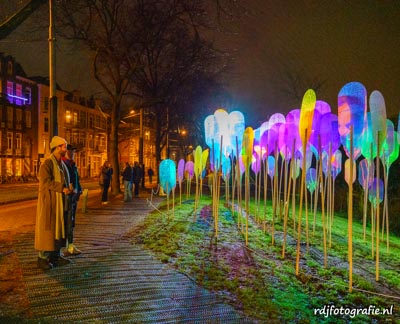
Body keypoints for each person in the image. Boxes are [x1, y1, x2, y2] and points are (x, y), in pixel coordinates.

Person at [35, 136, 73, 270]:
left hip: (60, 202)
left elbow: (64, 179)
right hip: (49, 202)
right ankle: (42, 258)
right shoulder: (47, 163)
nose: (66, 149)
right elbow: (45, 182)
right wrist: (62, 188)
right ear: (57, 147)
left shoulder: (60, 163)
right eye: (64, 146)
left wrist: (69, 187)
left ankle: (55, 256)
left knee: (58, 229)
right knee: (48, 230)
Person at [61, 144, 82, 256]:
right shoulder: (63, 164)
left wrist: (80, 189)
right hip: (67, 198)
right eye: (71, 151)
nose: (73, 153)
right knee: (68, 222)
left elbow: (76, 179)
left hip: (74, 197)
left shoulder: (73, 165)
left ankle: (70, 245)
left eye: (74, 151)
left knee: (72, 222)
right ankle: (67, 247)